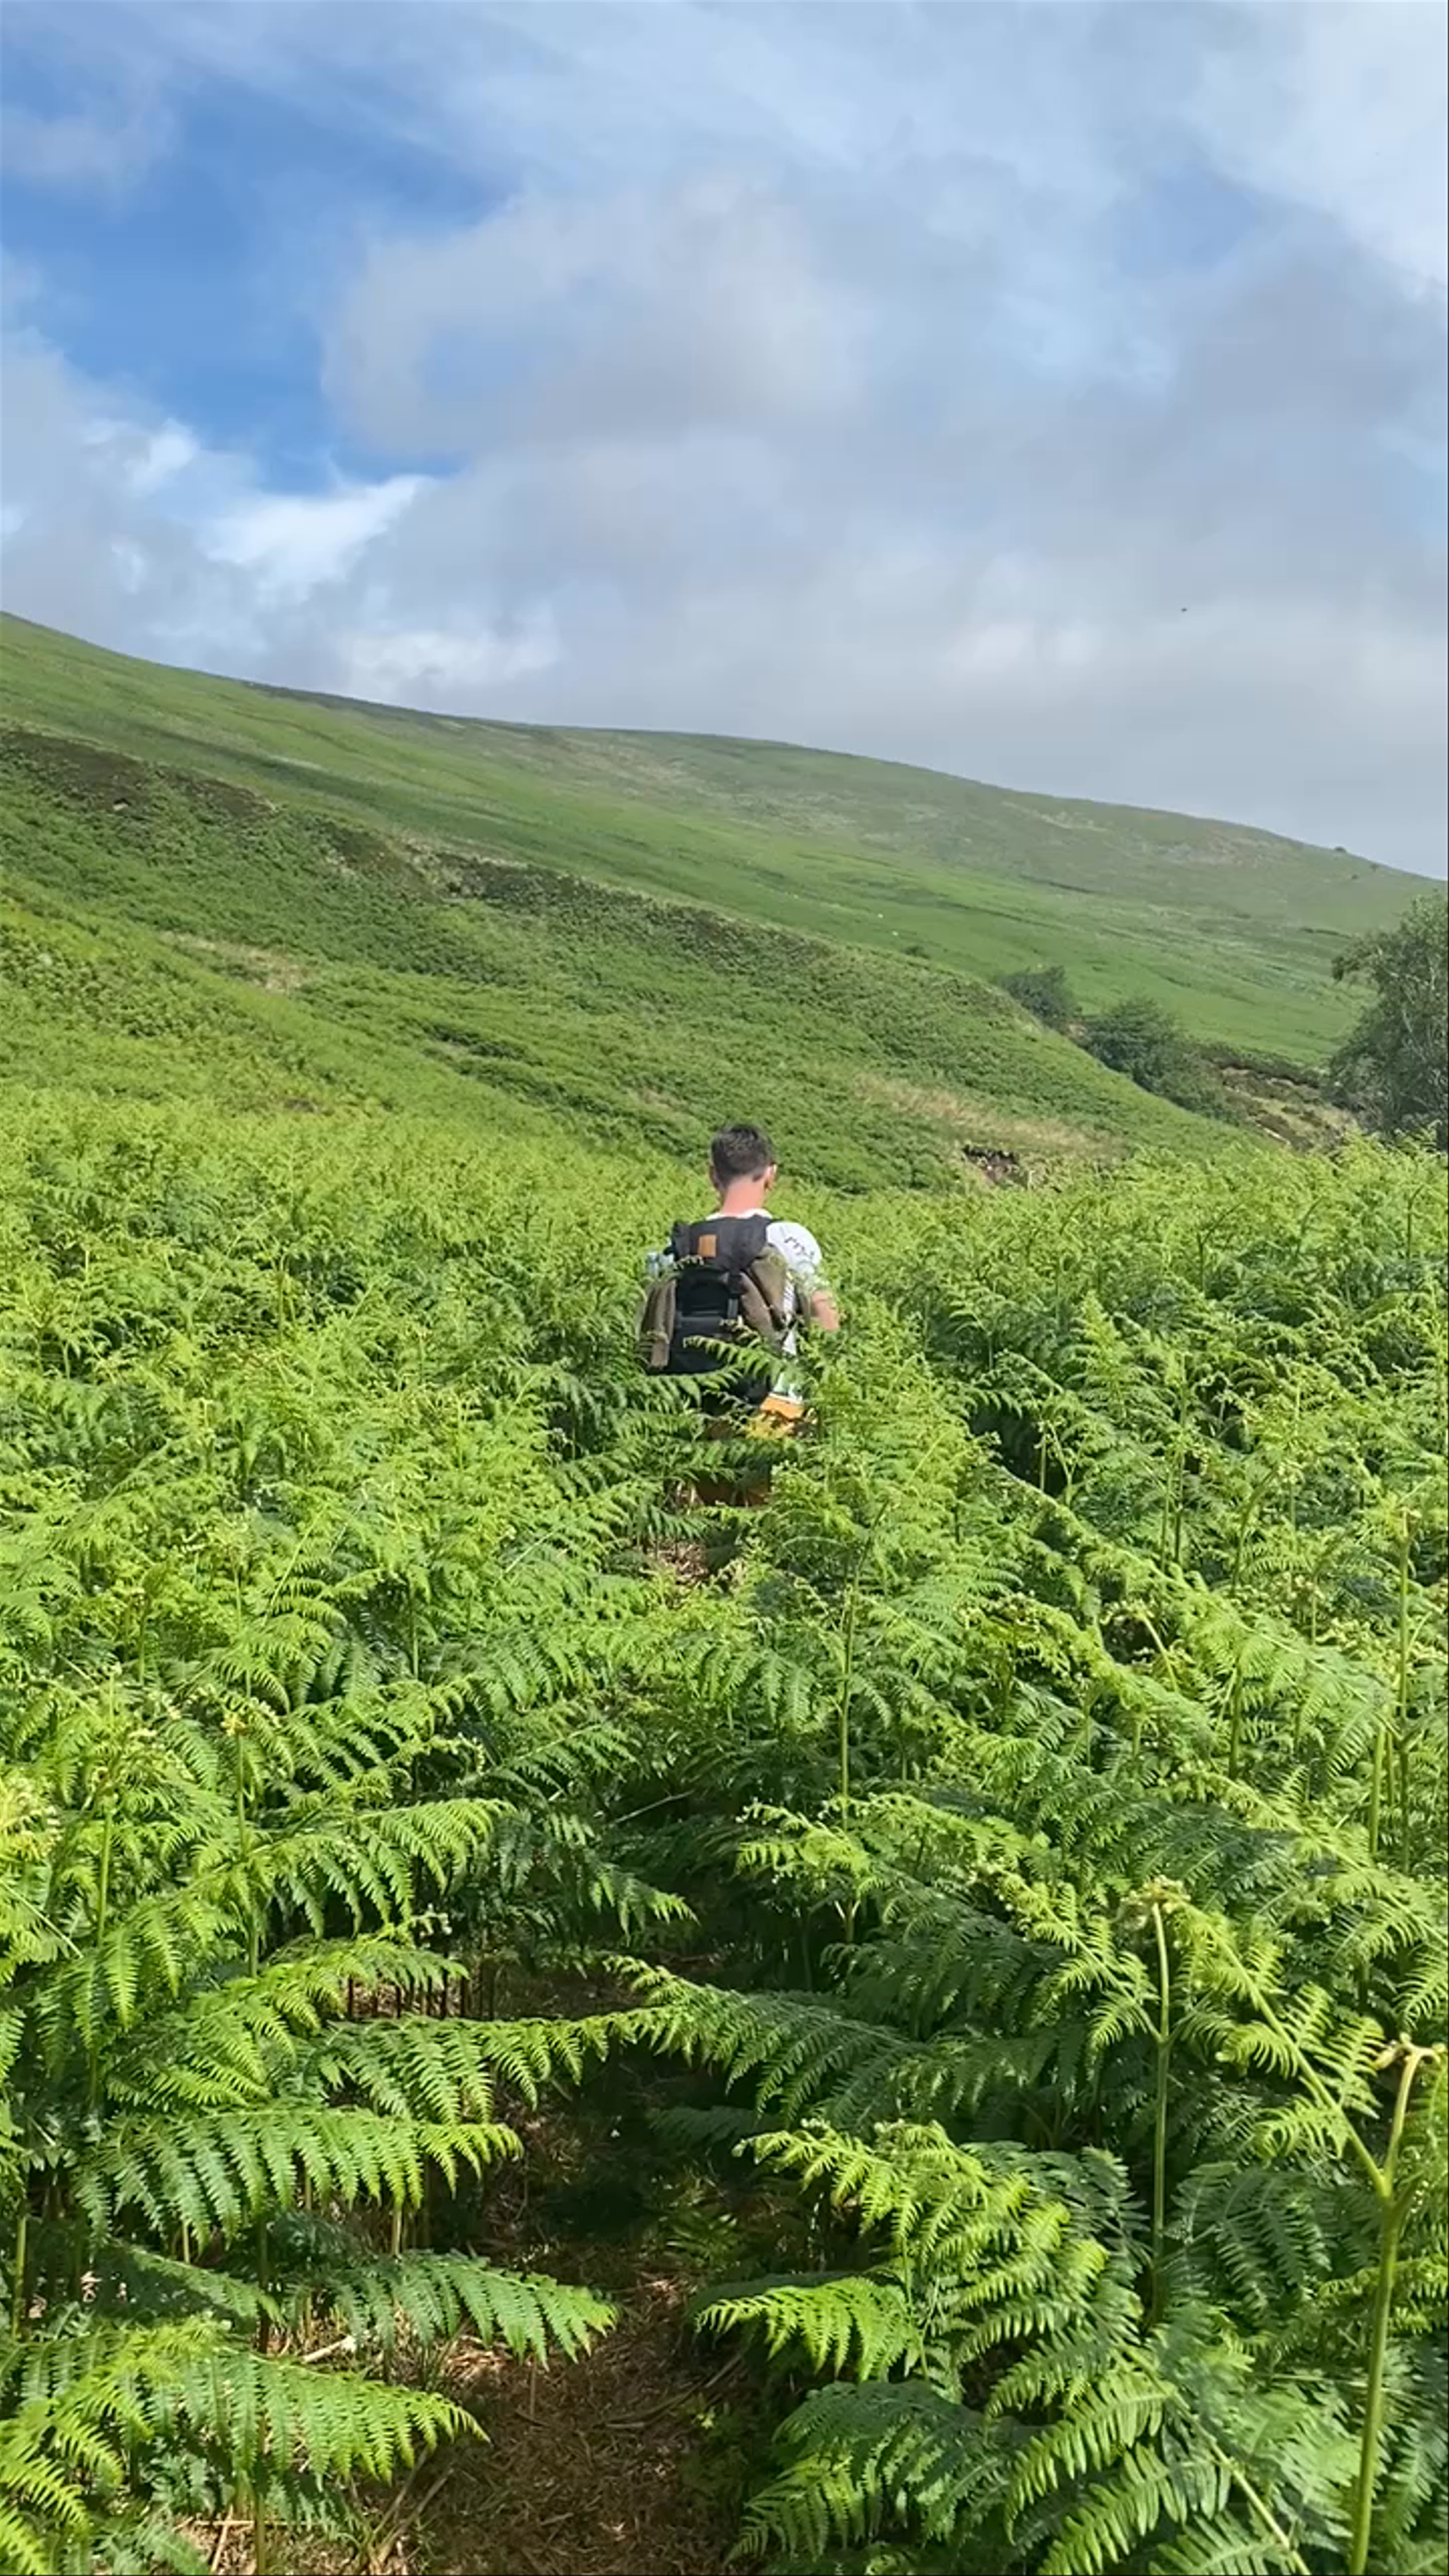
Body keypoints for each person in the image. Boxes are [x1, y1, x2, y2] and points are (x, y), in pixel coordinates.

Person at [639, 1123, 838, 1487]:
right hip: (776, 1403)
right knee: (765, 1524)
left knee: (711, 1522)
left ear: (713, 1175)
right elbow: (827, 1323)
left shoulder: (678, 1247)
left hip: (699, 1407)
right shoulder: (789, 1238)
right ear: (771, 1175)